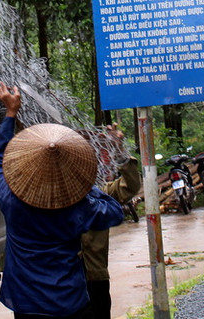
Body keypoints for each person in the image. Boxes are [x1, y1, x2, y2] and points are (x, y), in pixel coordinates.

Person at [0, 83, 123, 318]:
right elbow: (115, 212)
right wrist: (80, 182)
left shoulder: (11, 202)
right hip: (70, 303)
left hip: (26, 304)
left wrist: (11, 113)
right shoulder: (79, 209)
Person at [80, 126, 141, 319]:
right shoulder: (47, 195)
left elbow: (131, 186)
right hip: (64, 280)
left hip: (95, 278)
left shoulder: (100, 193)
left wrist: (119, 149)